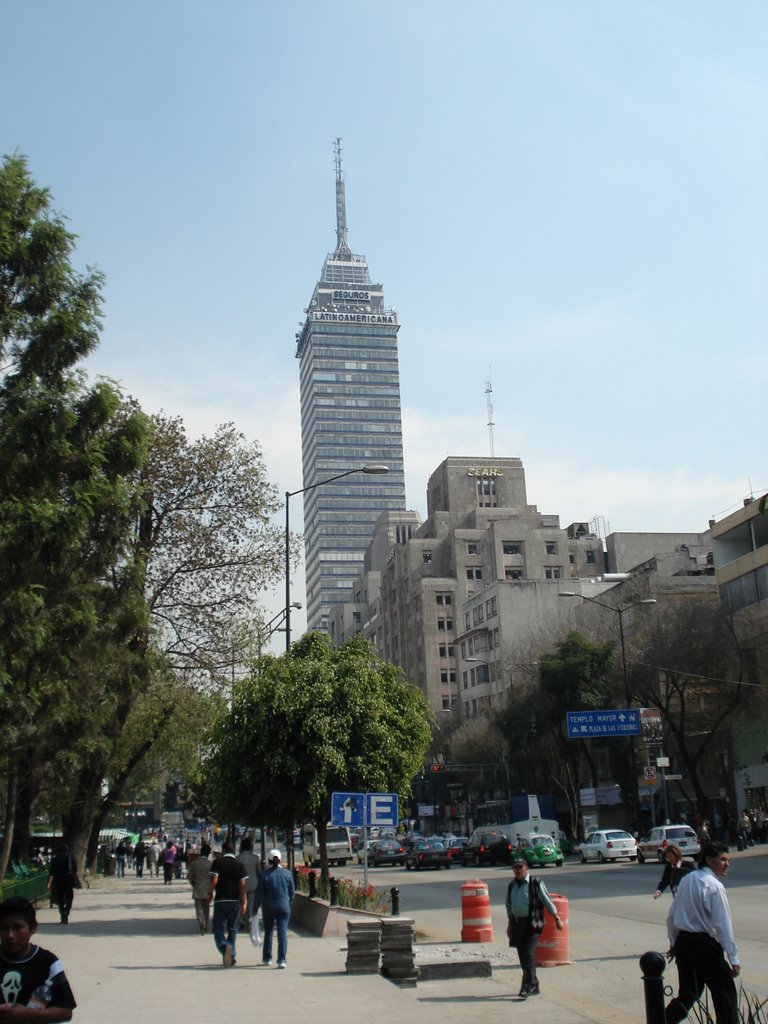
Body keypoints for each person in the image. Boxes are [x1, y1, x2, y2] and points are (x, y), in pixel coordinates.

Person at [665, 840, 739, 1024]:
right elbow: (723, 926)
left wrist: (674, 943)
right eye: (722, 859)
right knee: (725, 994)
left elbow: (672, 916)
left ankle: (661, 1020)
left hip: (684, 945)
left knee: (688, 995)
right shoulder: (714, 886)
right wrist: (734, 958)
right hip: (705, 946)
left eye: (727, 860)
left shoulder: (686, 880)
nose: (726, 864)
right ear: (709, 860)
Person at [0, 896, 77, 1021]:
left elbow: (66, 1012)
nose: (10, 935)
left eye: (17, 927)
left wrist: (28, 1014)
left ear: (33, 928)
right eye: (4, 928)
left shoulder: (48, 962)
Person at [505, 856, 563, 998]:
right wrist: (510, 924)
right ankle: (535, 984)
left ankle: (526, 987)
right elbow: (509, 905)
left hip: (533, 924)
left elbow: (547, 900)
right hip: (518, 924)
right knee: (522, 955)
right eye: (515, 867)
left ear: (526, 868)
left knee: (528, 955)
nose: (517, 870)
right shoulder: (512, 885)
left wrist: (557, 918)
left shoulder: (536, 883)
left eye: (520, 867)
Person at [252, 849, 295, 970]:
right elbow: (292, 893)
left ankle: (267, 958)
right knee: (282, 933)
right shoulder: (287, 874)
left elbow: (258, 894)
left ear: (268, 861)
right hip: (284, 906)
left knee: (269, 932)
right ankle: (282, 960)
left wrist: (255, 910)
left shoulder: (265, 875)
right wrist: (289, 904)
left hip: (269, 907)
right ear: (280, 860)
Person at [207, 841, 247, 967]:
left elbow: (214, 879)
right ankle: (231, 956)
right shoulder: (239, 865)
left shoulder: (218, 862)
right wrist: (244, 902)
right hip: (234, 901)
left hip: (220, 901)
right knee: (232, 929)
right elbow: (242, 885)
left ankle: (225, 946)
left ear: (223, 850)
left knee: (218, 928)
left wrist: (210, 893)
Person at [187, 843, 212, 935]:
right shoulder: (210, 864)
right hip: (208, 889)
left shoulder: (195, 864)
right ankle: (205, 922)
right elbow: (214, 877)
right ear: (209, 853)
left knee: (199, 908)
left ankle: (201, 922)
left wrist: (193, 884)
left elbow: (190, 877)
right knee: (206, 908)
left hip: (198, 888)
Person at [47, 846, 77, 926]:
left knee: (60, 898)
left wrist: (49, 883)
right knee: (69, 897)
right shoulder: (71, 858)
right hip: (69, 880)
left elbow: (51, 872)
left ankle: (62, 913)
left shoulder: (54, 859)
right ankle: (66, 912)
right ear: (66, 851)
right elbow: (75, 869)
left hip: (58, 881)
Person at [237, 837, 261, 927]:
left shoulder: (237, 858)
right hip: (253, 884)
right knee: (251, 903)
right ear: (250, 847)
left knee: (242, 902)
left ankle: (242, 921)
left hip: (241, 884)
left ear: (242, 847)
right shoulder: (255, 858)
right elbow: (259, 872)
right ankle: (250, 921)